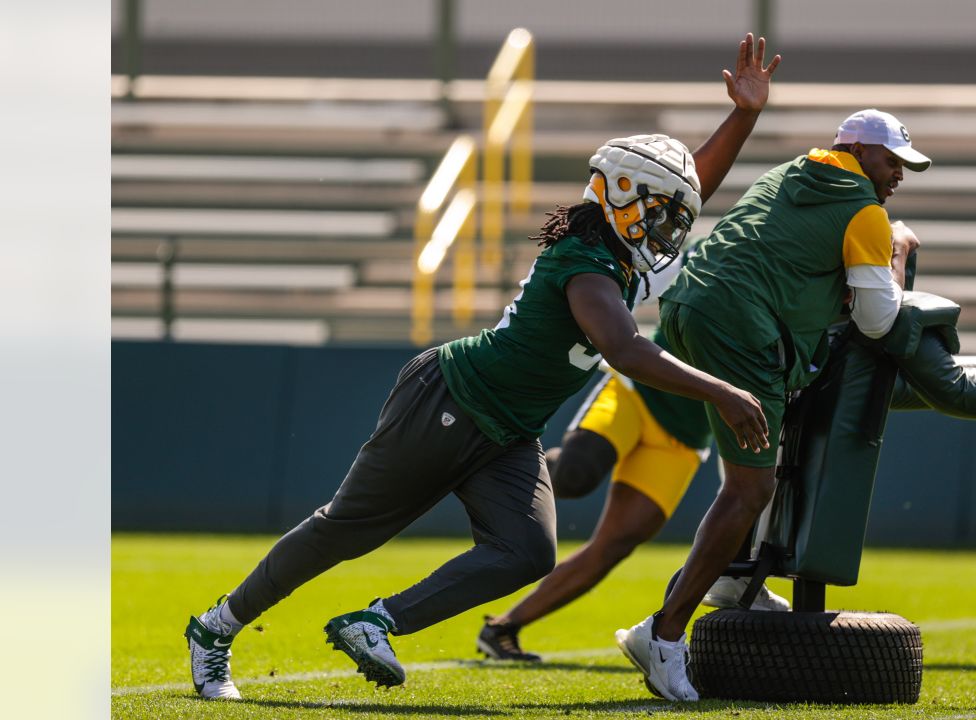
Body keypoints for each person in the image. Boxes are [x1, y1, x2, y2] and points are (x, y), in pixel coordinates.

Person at [182, 33, 779, 701]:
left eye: (674, 214)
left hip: (509, 429)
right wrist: (723, 391)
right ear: (621, 195)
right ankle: (216, 627)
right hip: (454, 398)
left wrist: (745, 116)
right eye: (661, 211)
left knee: (528, 552)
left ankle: (377, 621)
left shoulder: (622, 246)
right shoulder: (584, 260)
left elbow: (689, 184)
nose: (671, 225)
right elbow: (625, 350)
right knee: (345, 530)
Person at [615, 108, 930, 701]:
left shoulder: (789, 172)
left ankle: (734, 584)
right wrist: (896, 248)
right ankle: (661, 634)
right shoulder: (866, 210)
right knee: (751, 489)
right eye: (893, 162)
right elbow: (878, 319)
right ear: (859, 152)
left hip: (687, 309)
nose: (899, 175)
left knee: (754, 469)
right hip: (740, 325)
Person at [476, 249, 790, 663]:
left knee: (615, 543)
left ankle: (503, 628)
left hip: (684, 435)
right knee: (576, 473)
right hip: (638, 393)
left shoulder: (795, 293)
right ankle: (492, 468)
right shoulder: (723, 254)